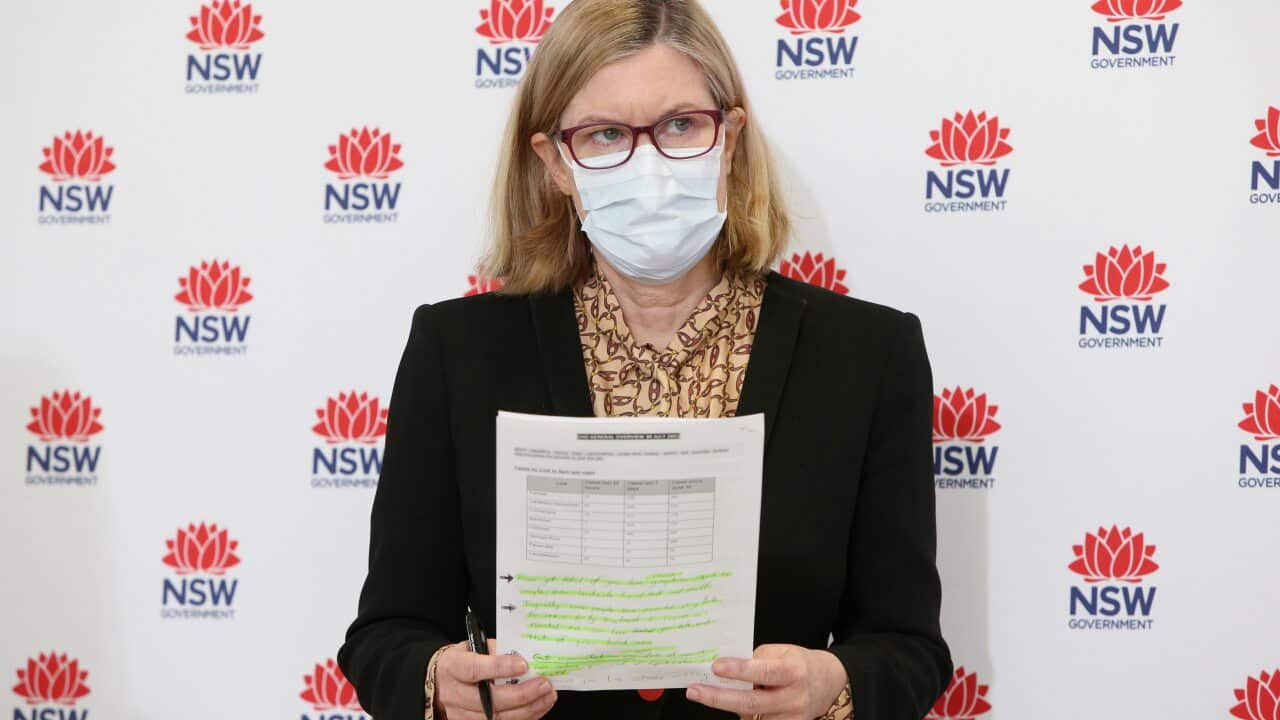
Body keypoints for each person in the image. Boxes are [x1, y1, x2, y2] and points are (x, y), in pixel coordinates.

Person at [337, 1, 951, 718]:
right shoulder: (458, 350)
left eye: (681, 125)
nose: (650, 163)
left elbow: (909, 647)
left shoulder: (869, 355)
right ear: (555, 163)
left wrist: (832, 685)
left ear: (730, 138)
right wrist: (437, 679)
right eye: (603, 135)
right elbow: (386, 635)